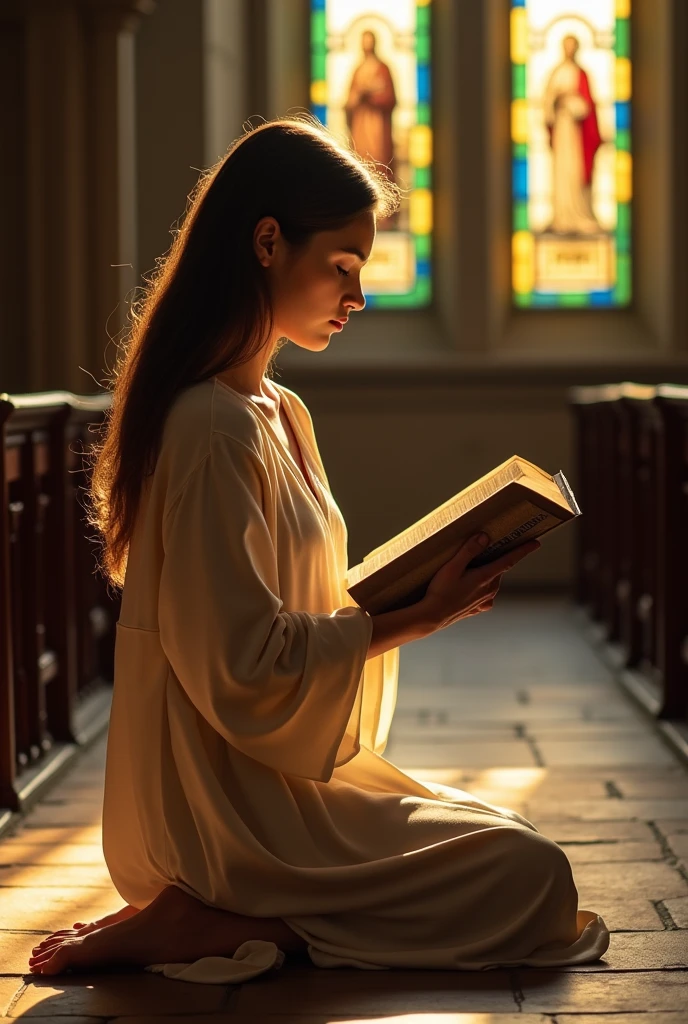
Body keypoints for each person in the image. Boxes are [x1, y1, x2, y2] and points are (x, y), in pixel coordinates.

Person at [28, 115, 609, 979]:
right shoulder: (206, 426)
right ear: (267, 242)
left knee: (518, 851)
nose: (359, 295)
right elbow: (241, 666)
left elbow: (304, 609)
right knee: (532, 878)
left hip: (285, 783)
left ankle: (249, 919)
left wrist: (418, 591)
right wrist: (411, 619)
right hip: (229, 808)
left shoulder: (280, 412)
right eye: (343, 265)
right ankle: (210, 911)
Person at [543, 34, 602, 235]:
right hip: (561, 130)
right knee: (561, 172)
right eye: (566, 46)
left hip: (576, 134)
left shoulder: (581, 74)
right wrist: (557, 101)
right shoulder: (556, 73)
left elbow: (586, 107)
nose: (569, 50)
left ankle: (578, 215)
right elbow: (547, 104)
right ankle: (561, 217)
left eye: (572, 46)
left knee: (575, 171)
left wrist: (572, 101)